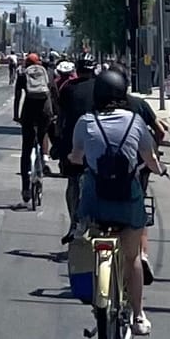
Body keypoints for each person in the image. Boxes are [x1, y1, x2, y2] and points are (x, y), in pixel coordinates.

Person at [71, 66, 164, 336]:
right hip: (127, 198)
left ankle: (96, 289)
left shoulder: (85, 122)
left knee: (88, 238)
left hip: (95, 200)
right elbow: (150, 158)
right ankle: (139, 315)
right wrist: (160, 170)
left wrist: (75, 159)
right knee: (133, 256)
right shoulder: (135, 122)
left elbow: (76, 157)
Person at [51, 53, 99, 236]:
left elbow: (60, 117)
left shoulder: (68, 88)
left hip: (72, 142)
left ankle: (73, 221)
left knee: (72, 182)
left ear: (77, 71)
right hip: (98, 141)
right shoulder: (101, 87)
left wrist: (57, 141)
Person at [14, 51, 54, 194]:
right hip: (45, 111)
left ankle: (25, 187)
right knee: (43, 135)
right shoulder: (48, 73)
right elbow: (54, 93)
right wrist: (54, 113)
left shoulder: (23, 75)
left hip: (28, 112)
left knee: (26, 148)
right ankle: (43, 161)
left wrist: (16, 115)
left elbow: (18, 96)